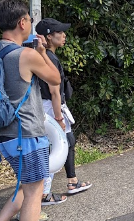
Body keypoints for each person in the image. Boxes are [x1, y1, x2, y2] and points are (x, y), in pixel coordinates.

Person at [0, 0, 61, 221]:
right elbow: (54, 78)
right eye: (28, 20)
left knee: (28, 185)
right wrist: (40, 52)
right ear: (22, 22)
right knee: (35, 190)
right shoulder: (25, 55)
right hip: (26, 133)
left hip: (3, 135)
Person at [36, 17, 92, 202]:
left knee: (67, 141)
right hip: (51, 107)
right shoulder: (47, 58)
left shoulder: (44, 56)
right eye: (60, 32)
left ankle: (72, 181)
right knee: (55, 146)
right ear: (49, 37)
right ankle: (44, 193)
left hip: (50, 106)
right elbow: (54, 90)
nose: (64, 35)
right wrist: (59, 117)